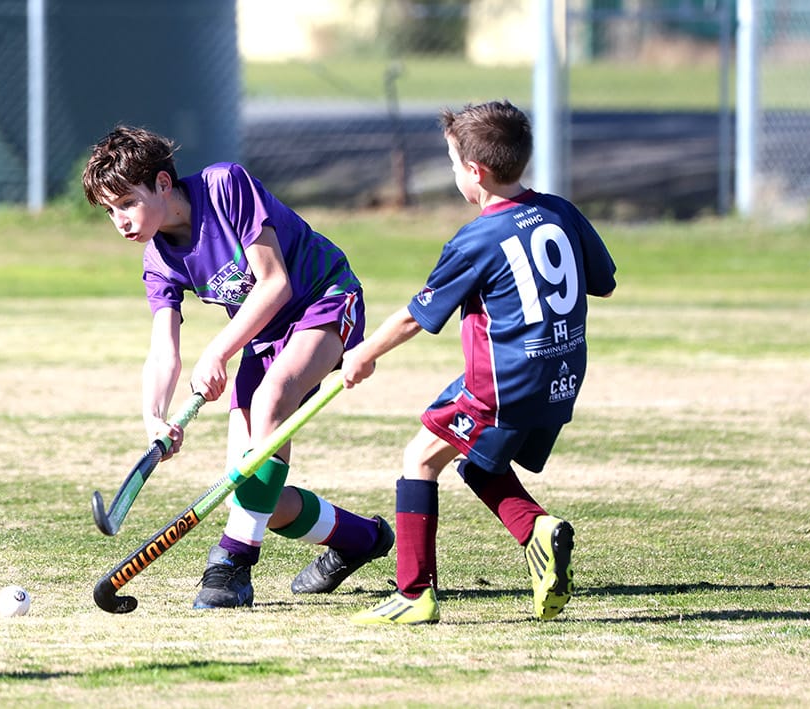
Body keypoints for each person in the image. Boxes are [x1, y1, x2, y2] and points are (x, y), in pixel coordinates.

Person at [82, 125, 394, 610]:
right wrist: (154, 417)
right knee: (246, 489)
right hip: (265, 335)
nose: (120, 220)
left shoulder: (225, 186)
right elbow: (163, 349)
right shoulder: (158, 261)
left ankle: (233, 563)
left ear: (163, 183)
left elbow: (274, 285)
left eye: (126, 202)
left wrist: (219, 352)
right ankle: (359, 538)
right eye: (109, 211)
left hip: (324, 298)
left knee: (272, 401)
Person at [343, 100, 617, 625]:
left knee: (420, 459)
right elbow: (603, 283)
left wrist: (362, 354)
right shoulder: (561, 210)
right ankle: (536, 531)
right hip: (560, 378)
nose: (453, 175)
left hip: (502, 383)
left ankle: (413, 593)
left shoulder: (475, 239)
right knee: (479, 462)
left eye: (452, 165)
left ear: (476, 171)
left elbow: (415, 318)